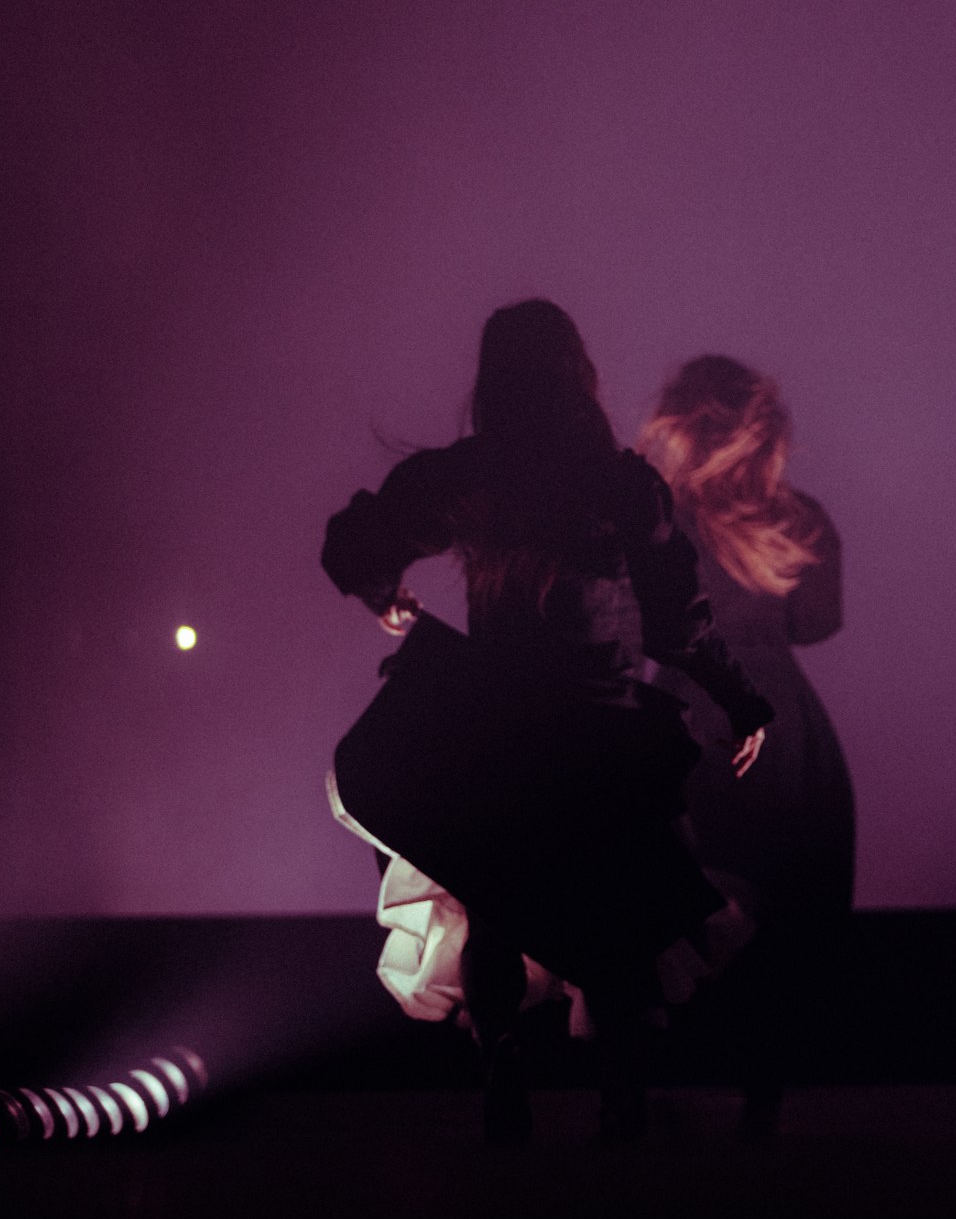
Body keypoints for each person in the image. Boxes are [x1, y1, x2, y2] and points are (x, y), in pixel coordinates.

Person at [322, 300, 771, 1145]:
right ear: (579, 374)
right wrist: (738, 697)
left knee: (495, 903)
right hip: (600, 727)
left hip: (500, 730)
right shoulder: (620, 482)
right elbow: (678, 622)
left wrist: (387, 595)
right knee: (619, 918)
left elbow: (355, 541)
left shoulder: (473, 473)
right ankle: (620, 1097)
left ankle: (503, 1068)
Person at [640, 355, 853, 1134]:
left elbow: (631, 624)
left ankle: (658, 1071)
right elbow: (819, 623)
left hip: (683, 712)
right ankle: (763, 1086)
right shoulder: (799, 518)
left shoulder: (656, 519)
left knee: (675, 893)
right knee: (782, 895)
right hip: (779, 716)